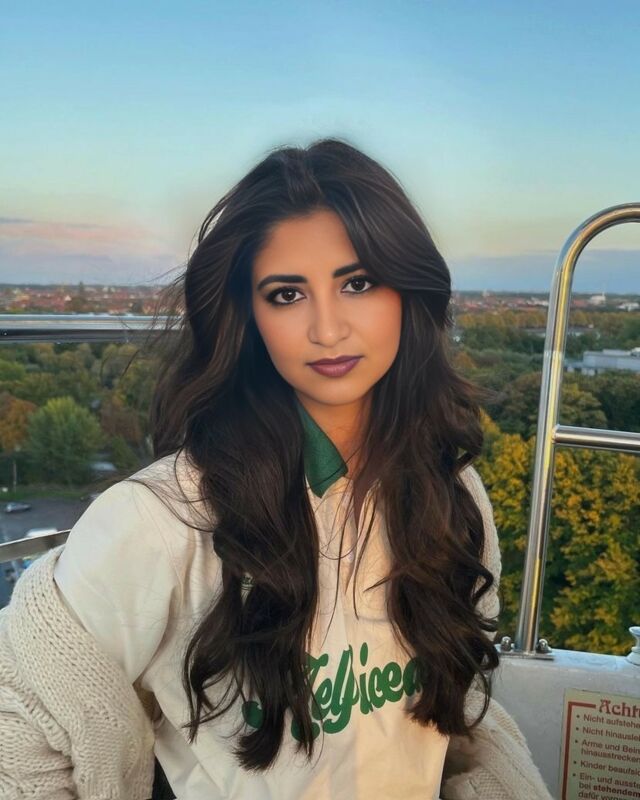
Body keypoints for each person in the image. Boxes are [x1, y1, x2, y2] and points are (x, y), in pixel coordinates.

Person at [0, 138, 553, 799]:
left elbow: (457, 720)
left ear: (409, 293)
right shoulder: (161, 520)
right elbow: (19, 724)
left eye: (358, 283)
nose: (327, 329)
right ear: (250, 316)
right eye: (287, 294)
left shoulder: (451, 494)